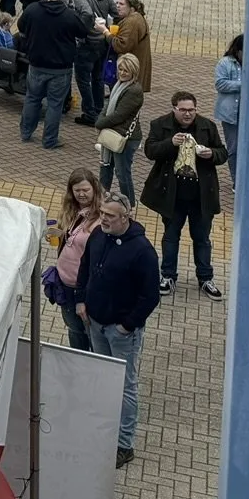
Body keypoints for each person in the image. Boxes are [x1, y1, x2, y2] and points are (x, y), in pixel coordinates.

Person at [77, 194, 160, 468]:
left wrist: (128, 324)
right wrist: (81, 299)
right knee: (103, 378)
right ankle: (103, 430)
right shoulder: (98, 236)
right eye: (102, 213)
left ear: (126, 217)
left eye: (110, 215)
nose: (103, 219)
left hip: (121, 332)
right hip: (96, 324)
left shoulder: (143, 251)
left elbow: (150, 296)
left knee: (125, 386)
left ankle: (124, 444)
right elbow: (85, 267)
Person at [141, 90, 227, 299]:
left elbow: (222, 153)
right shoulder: (159, 125)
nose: (188, 114)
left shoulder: (207, 126)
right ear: (174, 109)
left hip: (201, 197)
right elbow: (150, 151)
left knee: (202, 239)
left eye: (192, 110)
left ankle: (205, 278)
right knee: (170, 237)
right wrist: (171, 143)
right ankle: (168, 276)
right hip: (173, 196)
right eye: (183, 110)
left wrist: (211, 154)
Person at [16, 0, 90, 149]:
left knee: (32, 98)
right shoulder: (69, 15)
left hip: (36, 64)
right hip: (60, 68)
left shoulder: (33, 10)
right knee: (55, 104)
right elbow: (83, 31)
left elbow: (21, 26)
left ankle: (26, 132)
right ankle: (49, 140)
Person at [52, 169, 104, 350]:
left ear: (95, 189)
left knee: (90, 333)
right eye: (77, 190)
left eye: (85, 190)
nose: (81, 194)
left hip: (85, 287)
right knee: (74, 330)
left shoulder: (101, 218)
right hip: (64, 283)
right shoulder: (71, 210)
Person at [94, 55, 147, 203]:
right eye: (120, 69)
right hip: (113, 134)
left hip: (125, 138)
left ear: (134, 71)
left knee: (122, 172)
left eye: (126, 70)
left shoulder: (134, 90)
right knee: (105, 168)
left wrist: (100, 123)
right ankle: (102, 199)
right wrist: (101, 119)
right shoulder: (119, 84)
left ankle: (129, 203)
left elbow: (119, 115)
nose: (122, 73)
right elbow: (108, 105)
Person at [214, 34, 244, 184]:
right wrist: (243, 84)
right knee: (234, 149)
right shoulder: (225, 63)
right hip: (230, 115)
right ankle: (236, 181)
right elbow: (220, 84)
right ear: (238, 50)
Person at [109, 0, 154, 92]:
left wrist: (107, 34)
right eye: (117, 3)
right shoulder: (136, 18)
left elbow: (121, 46)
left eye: (121, 4)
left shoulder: (132, 22)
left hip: (130, 70)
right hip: (132, 68)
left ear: (132, 8)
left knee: (128, 97)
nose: (117, 6)